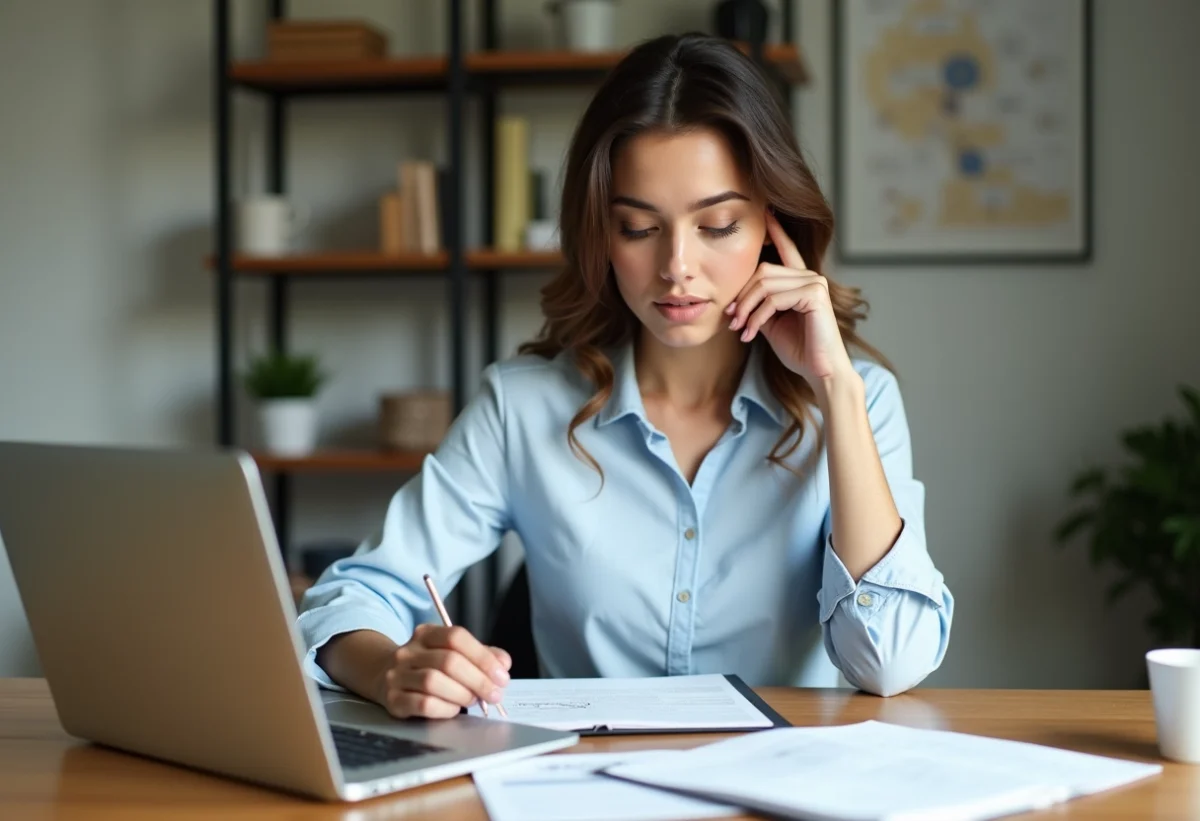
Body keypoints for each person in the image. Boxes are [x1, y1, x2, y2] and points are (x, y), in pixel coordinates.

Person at [297, 33, 954, 719]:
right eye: (639, 228)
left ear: (771, 224)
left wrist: (836, 387)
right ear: (601, 236)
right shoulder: (522, 407)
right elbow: (350, 598)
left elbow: (892, 661)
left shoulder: (858, 399)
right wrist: (392, 667)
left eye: (718, 224)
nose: (677, 266)